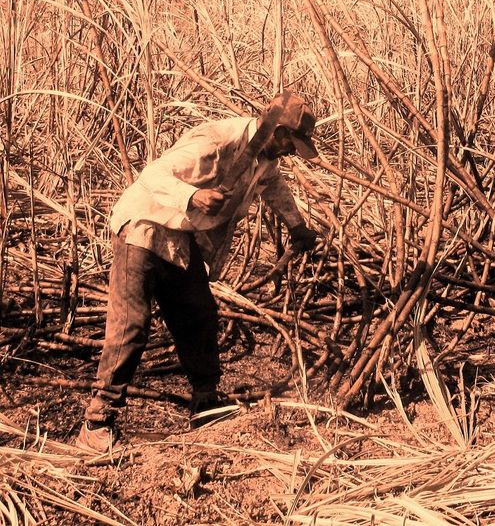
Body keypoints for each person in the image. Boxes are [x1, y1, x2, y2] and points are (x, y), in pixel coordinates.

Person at [76, 92, 319, 453]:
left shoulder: (263, 159)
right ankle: (96, 422)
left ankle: (205, 402)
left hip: (180, 235)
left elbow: (274, 188)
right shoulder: (216, 143)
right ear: (276, 130)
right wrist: (192, 196)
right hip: (143, 225)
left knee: (199, 315)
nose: (289, 152)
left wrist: (297, 226)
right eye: (290, 143)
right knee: (131, 324)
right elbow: (153, 175)